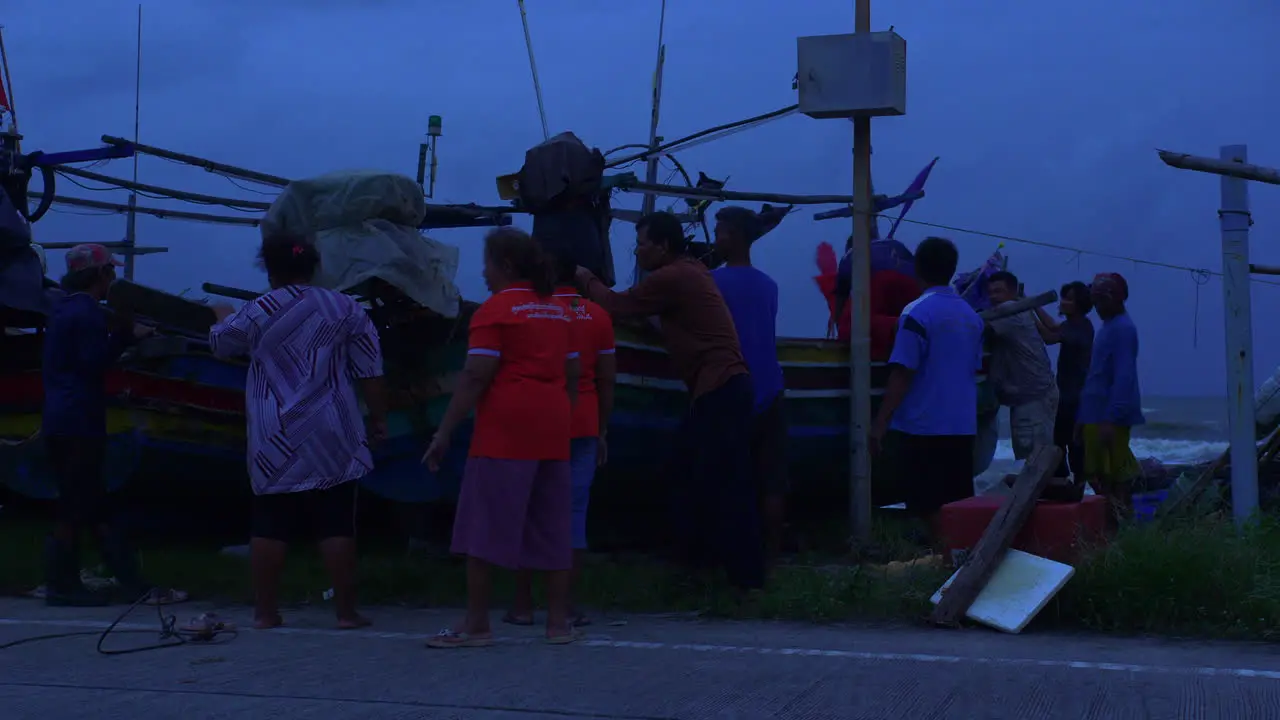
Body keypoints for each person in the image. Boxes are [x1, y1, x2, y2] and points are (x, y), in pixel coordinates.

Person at [575, 211, 763, 592]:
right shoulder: (691, 271)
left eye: (642, 244)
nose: (638, 252)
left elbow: (615, 305)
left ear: (663, 246)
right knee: (702, 478)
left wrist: (585, 278)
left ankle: (740, 579)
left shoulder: (673, 276)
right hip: (726, 387)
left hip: (720, 388)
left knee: (716, 482)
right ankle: (713, 570)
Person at [209, 234, 387, 630]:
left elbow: (221, 344)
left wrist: (222, 314)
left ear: (270, 271)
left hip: (276, 434)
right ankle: (345, 613)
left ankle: (266, 613)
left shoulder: (258, 309)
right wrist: (379, 417)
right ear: (314, 268)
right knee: (337, 522)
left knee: (270, 521)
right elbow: (370, 371)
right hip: (332, 429)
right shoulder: (345, 308)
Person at [421, 227, 579, 648]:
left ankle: (476, 625)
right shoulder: (558, 310)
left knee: (483, 527)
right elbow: (573, 374)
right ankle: (559, 624)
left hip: (506, 430)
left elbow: (475, 376)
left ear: (506, 266)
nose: (484, 273)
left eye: (488, 263)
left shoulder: (494, 311)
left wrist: (444, 432)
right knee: (552, 526)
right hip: (553, 426)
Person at [40, 243, 186, 607]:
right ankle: (65, 586)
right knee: (78, 506)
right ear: (100, 275)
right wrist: (125, 336)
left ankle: (126, 583)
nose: (113, 279)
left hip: (59, 417)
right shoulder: (88, 314)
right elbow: (93, 363)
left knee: (90, 504)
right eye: (111, 273)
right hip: (80, 421)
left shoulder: (61, 310)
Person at [506, 252, 616, 630]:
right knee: (572, 516)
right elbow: (607, 379)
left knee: (529, 509)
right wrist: (602, 430)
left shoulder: (532, 312)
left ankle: (522, 605)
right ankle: (565, 606)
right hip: (583, 423)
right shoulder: (598, 316)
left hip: (536, 421)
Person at [870, 236, 985, 534]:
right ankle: (957, 561)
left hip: (923, 426)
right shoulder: (971, 317)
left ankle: (944, 561)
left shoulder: (916, 313)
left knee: (926, 505)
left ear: (917, 268)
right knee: (956, 505)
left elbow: (903, 373)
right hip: (962, 425)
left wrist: (880, 424)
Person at [711, 206, 788, 573]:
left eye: (722, 232)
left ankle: (731, 561)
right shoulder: (769, 285)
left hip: (732, 387)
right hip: (771, 388)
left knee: (731, 477)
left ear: (738, 237)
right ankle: (771, 558)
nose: (716, 239)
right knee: (770, 477)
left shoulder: (713, 283)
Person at [1076, 272, 1143, 523]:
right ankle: (1111, 527)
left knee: (1116, 477)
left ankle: (1121, 528)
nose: (1098, 307)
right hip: (1095, 413)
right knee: (1098, 476)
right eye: (1095, 302)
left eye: (1102, 301)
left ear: (1117, 299)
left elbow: (1123, 376)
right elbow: (1096, 374)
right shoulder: (1108, 328)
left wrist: (1111, 418)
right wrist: (1083, 417)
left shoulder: (1124, 329)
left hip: (1109, 415)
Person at [984, 271, 1059, 461]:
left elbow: (974, 328)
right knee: (1038, 459)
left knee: (1036, 461)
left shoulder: (1009, 310)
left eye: (998, 291)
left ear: (1013, 292)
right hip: (1034, 395)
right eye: (990, 292)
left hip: (1033, 398)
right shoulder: (1019, 309)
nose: (993, 297)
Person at [1033, 281, 1095, 479]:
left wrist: (1028, 308)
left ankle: (1077, 491)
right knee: (1060, 444)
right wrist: (1031, 306)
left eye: (1068, 298)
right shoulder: (1073, 325)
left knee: (1071, 447)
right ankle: (1066, 488)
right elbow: (1052, 328)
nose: (1062, 302)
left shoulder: (1082, 327)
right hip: (1066, 395)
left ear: (1079, 303)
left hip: (1076, 397)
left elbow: (1049, 335)